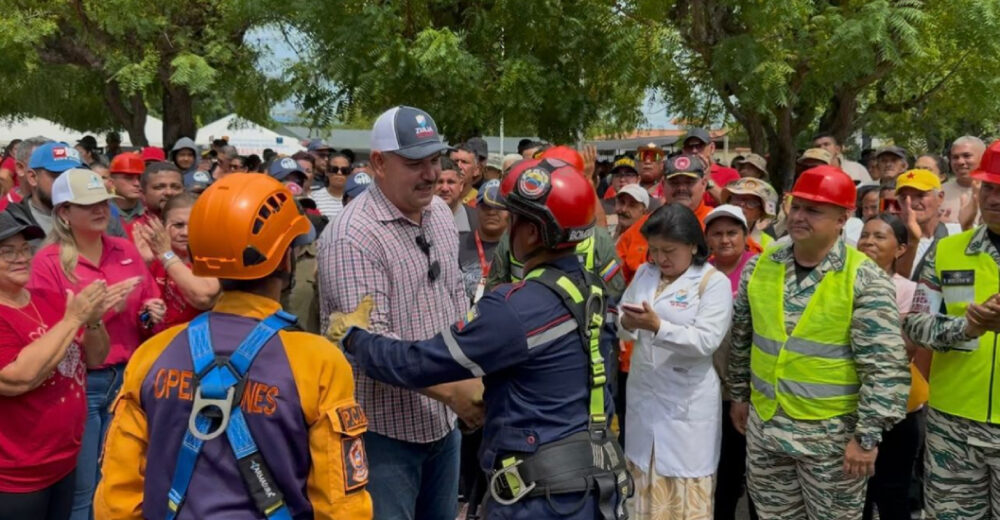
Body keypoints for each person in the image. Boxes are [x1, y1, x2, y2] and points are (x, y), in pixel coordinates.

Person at [329, 157, 633, 519]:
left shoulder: (515, 309)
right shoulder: (589, 288)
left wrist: (354, 337)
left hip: (542, 500)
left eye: (513, 220)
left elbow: (415, 364)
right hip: (594, 485)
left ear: (533, 232)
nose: (507, 230)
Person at [93, 173, 373, 519]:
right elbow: (341, 505)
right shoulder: (318, 362)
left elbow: (115, 498)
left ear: (198, 255)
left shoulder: (152, 354)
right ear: (285, 259)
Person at [318, 105, 484, 520]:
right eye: (414, 163)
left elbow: (454, 307)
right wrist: (454, 391)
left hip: (442, 427)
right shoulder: (352, 236)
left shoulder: (441, 217)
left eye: (434, 160)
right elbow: (371, 347)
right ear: (378, 163)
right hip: (381, 434)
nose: (430, 174)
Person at [727, 165, 910, 520]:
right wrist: (739, 394)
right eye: (796, 206)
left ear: (843, 218)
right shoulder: (761, 265)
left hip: (832, 443)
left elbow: (885, 369)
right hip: (767, 431)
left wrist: (867, 438)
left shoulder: (864, 279)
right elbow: (743, 337)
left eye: (814, 210)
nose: (799, 216)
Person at [26, 168, 164, 520]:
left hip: (130, 378)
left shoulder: (124, 248)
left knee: (122, 480)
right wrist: (96, 315)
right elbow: (45, 333)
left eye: (104, 202)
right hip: (81, 384)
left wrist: (151, 311)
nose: (101, 210)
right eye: (89, 205)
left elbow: (147, 306)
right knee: (84, 489)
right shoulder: (47, 262)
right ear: (64, 214)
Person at [0, 206, 119, 520]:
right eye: (7, 252)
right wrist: (75, 318)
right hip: (14, 477)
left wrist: (93, 322)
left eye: (25, 249)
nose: (21, 258)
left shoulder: (46, 297)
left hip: (63, 461)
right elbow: (17, 379)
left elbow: (94, 358)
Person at [902, 139, 1000, 520]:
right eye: (988, 187)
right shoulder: (947, 250)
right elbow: (916, 324)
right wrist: (967, 326)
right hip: (953, 428)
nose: (993, 197)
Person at [616, 203, 731, 519]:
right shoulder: (645, 273)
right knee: (641, 492)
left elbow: (705, 341)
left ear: (693, 245)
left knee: (682, 497)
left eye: (669, 250)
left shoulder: (713, 282)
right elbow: (621, 323)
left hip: (686, 408)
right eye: (653, 250)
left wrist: (658, 327)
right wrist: (629, 323)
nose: (660, 259)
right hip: (644, 400)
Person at [856, 214, 929, 520]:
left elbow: (909, 345)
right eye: (865, 235)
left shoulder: (911, 291)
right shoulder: (839, 285)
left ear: (900, 249)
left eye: (879, 236)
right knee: (856, 494)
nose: (869, 242)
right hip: (851, 404)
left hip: (898, 407)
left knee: (892, 492)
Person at [704, 205, 760, 520]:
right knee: (724, 471)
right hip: (712, 391)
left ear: (744, 235)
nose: (725, 240)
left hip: (752, 390)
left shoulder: (759, 267)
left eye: (732, 232)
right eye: (717, 233)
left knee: (756, 475)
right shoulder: (700, 272)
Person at [616, 154, 713, 283]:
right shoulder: (643, 226)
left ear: (704, 183)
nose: (681, 188)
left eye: (689, 182)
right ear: (663, 185)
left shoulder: (718, 224)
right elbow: (615, 278)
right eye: (674, 182)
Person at [132, 193, 221, 332]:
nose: (185, 232)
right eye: (178, 225)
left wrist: (165, 255)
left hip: (196, 344)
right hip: (153, 345)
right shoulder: (151, 255)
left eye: (194, 225)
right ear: (162, 226)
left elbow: (203, 298)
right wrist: (144, 264)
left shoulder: (214, 257)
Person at [22, 142, 127, 240]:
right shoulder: (14, 222)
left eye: (76, 176)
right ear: (32, 177)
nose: (68, 183)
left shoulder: (104, 217)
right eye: (59, 175)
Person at [894, 169, 962, 279]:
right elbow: (897, 281)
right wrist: (912, 241)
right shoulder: (891, 238)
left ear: (940, 197)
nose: (913, 203)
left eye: (921, 195)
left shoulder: (957, 233)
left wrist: (968, 226)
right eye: (904, 198)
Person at [458, 179, 507, 304]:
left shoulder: (517, 249)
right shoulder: (456, 244)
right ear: (477, 208)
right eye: (486, 206)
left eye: (499, 206)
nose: (491, 212)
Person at [681, 128, 739, 206]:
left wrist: (708, 181)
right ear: (683, 151)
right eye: (689, 147)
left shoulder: (730, 174)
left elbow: (733, 206)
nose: (694, 151)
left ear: (712, 148)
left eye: (699, 145)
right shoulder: (675, 176)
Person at [721, 177, 779, 248]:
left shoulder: (769, 244)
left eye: (751, 203)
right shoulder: (709, 227)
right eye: (737, 198)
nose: (741, 204)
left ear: (760, 213)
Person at [109, 152, 155, 239]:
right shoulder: (101, 212)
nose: (137, 183)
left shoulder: (151, 212)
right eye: (128, 178)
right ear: (112, 183)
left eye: (139, 178)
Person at [940, 136, 985, 224]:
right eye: (955, 157)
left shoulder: (994, 193)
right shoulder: (938, 192)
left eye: (967, 156)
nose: (960, 162)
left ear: (983, 157)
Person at [309, 152, 350, 220]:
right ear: (327, 172)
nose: (339, 173)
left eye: (344, 170)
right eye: (334, 169)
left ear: (349, 173)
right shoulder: (313, 198)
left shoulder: (355, 199)